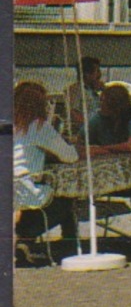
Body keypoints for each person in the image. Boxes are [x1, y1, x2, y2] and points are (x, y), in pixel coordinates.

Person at [85, 82, 131, 243]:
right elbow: (82, 140)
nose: (100, 105)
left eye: (103, 102)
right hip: (108, 168)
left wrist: (103, 149)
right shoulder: (99, 119)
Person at [13, 81, 78, 243]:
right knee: (65, 200)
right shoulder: (38, 127)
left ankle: (22, 238)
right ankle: (27, 238)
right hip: (24, 186)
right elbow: (70, 156)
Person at [65, 55, 104, 131]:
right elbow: (73, 113)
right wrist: (89, 127)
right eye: (97, 71)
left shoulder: (92, 90)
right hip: (84, 131)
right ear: (87, 74)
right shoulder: (76, 90)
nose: (100, 75)